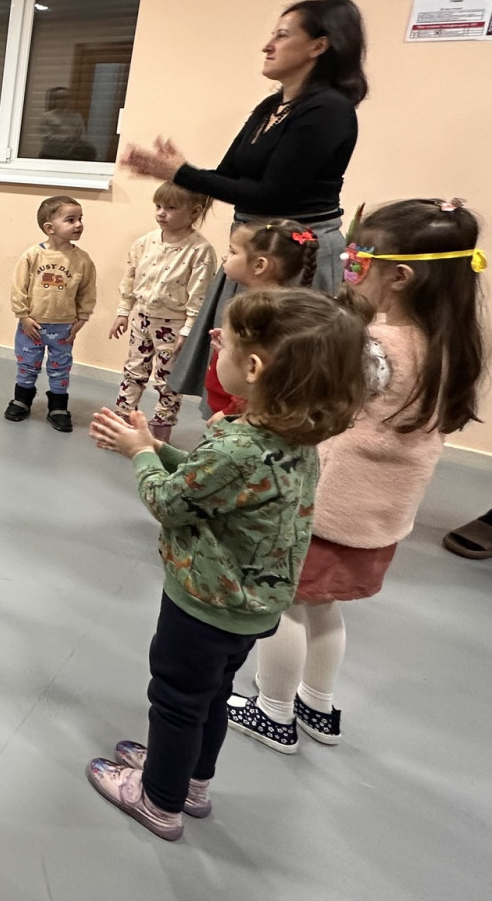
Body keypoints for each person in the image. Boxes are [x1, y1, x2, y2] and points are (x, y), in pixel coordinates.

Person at [84, 288, 369, 841]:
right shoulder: (293, 439)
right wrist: (157, 448)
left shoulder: (238, 447)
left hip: (205, 603)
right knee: (211, 695)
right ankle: (190, 780)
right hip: (251, 607)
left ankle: (158, 799)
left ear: (255, 368)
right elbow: (214, 485)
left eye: (228, 346)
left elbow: (170, 502)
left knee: (175, 700)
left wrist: (139, 456)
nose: (217, 351)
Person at [228, 200, 487, 751]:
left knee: (284, 607)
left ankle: (273, 711)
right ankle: (317, 705)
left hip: (326, 506)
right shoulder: (453, 345)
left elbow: (322, 403)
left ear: (400, 276)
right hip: (380, 516)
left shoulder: (378, 346)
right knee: (324, 607)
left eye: (358, 259)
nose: (349, 267)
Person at [122, 0, 368, 399]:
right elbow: (228, 178)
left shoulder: (329, 109)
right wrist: (175, 171)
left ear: (318, 46)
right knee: (231, 371)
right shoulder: (272, 106)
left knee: (275, 383)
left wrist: (180, 173)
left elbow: (272, 194)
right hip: (253, 249)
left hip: (294, 258)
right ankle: (228, 436)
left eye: (282, 35)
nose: (267, 46)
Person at [109, 184, 218, 443]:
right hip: (141, 318)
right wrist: (123, 311)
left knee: (167, 379)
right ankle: (123, 422)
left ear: (194, 212)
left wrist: (188, 330)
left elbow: (199, 294)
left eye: (170, 208)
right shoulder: (144, 243)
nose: (161, 213)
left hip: (173, 325)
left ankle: (161, 430)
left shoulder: (199, 250)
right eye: (158, 206)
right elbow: (130, 277)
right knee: (133, 370)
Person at [204, 220, 319, 416]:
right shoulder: (264, 306)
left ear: (259, 265)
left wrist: (230, 412)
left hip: (240, 412)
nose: (225, 256)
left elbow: (263, 375)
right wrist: (228, 344)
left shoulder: (261, 312)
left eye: (232, 251)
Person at [6, 196, 96, 431]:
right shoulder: (32, 255)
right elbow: (19, 287)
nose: (79, 224)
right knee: (27, 364)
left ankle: (58, 407)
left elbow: (87, 291)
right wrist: (23, 316)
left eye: (80, 219)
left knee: (60, 368)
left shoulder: (82, 260)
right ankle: (22, 400)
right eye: (71, 220)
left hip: (64, 326)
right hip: (32, 326)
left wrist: (82, 318)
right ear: (50, 228)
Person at [37, 86, 93, 160]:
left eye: (67, 98)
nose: (65, 100)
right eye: (61, 98)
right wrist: (71, 138)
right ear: (53, 100)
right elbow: (47, 138)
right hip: (50, 155)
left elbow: (82, 136)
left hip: (71, 155)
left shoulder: (77, 117)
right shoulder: (46, 117)